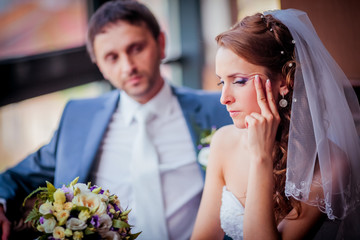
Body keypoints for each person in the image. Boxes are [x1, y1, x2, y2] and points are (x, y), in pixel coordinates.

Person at [0, 1, 232, 239]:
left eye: (136, 48)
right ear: (99, 65)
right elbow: (14, 178)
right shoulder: (78, 117)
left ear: (161, 44)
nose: (128, 66)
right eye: (112, 57)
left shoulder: (221, 109)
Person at [191, 9, 360, 240]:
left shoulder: (330, 164)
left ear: (283, 81)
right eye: (222, 82)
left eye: (239, 81)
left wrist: (261, 158)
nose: (224, 98)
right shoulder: (223, 141)